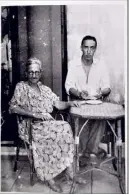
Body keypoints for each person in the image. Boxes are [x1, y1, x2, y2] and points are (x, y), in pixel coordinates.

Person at [9, 57, 87, 193]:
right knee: (51, 136)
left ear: (40, 73)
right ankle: (50, 178)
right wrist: (34, 114)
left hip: (48, 124)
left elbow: (57, 104)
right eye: (31, 72)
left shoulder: (45, 89)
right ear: (26, 73)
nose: (34, 75)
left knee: (66, 129)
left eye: (36, 72)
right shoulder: (21, 87)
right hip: (31, 125)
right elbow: (13, 107)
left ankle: (70, 172)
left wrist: (69, 103)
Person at [65, 35, 111, 165]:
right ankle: (86, 151)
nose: (89, 51)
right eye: (86, 47)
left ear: (95, 49)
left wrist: (100, 93)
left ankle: (90, 151)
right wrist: (79, 94)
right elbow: (69, 86)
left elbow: (107, 86)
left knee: (100, 118)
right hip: (79, 103)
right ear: (81, 48)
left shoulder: (101, 65)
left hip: (96, 103)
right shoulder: (73, 64)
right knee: (80, 119)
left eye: (92, 48)